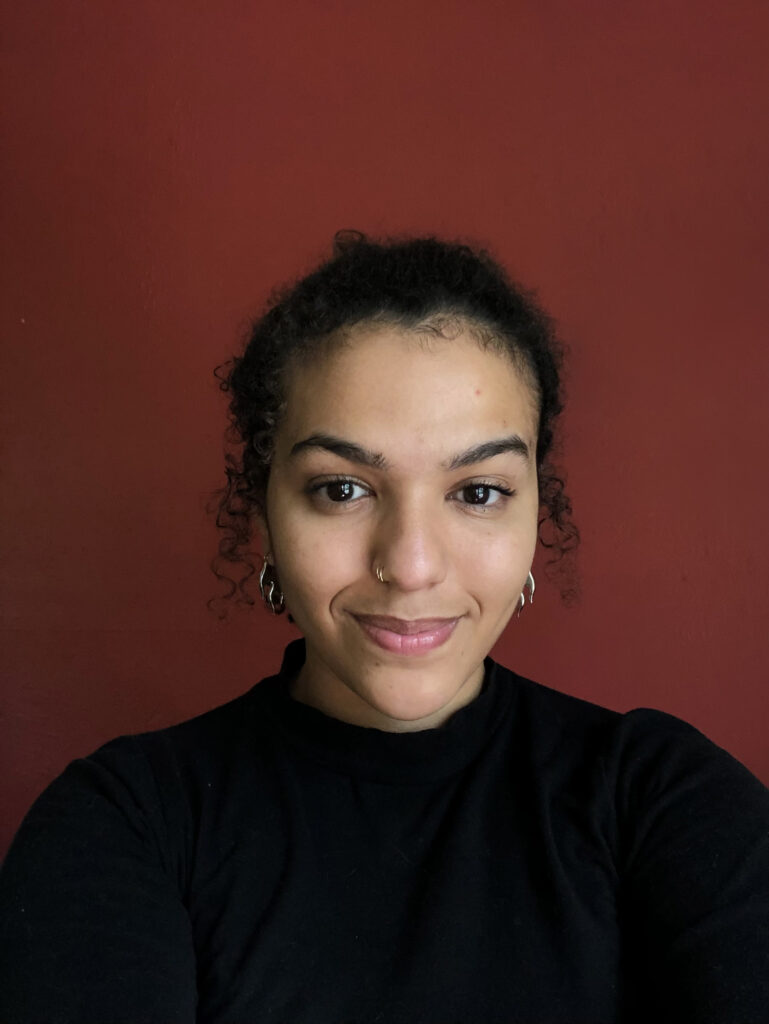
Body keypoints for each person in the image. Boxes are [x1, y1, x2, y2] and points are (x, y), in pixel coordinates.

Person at [1, 231, 767, 1023]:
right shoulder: (126, 823)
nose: (409, 565)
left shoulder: (662, 799)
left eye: (477, 492)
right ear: (264, 513)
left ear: (537, 511)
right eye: (342, 489)